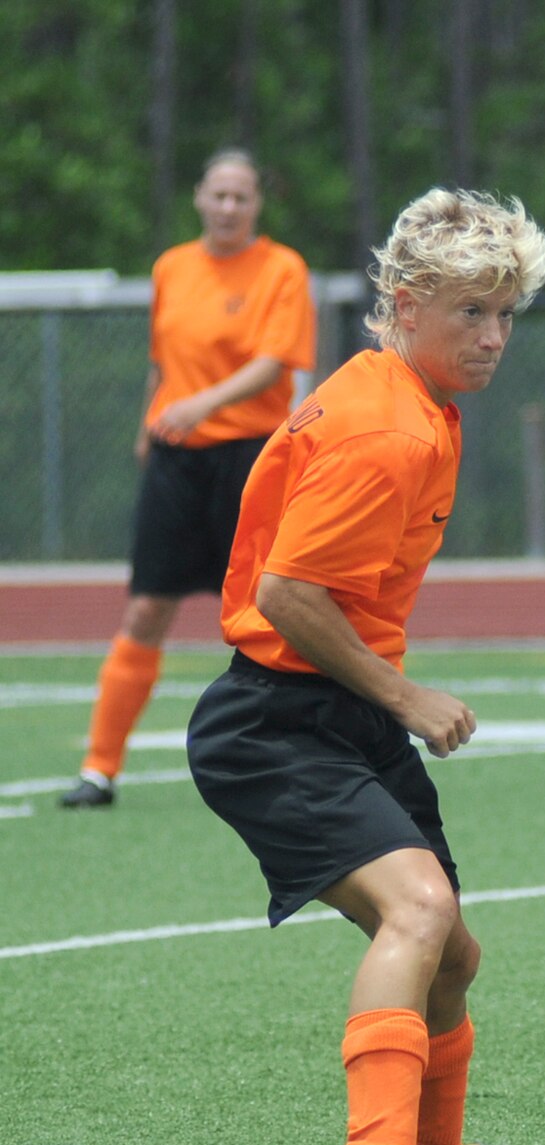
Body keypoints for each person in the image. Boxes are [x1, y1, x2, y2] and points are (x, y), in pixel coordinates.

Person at [185, 189, 545, 1145]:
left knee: (454, 956)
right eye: (469, 314)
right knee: (418, 913)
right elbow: (288, 595)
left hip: (333, 713)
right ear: (404, 304)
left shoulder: (409, 402)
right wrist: (405, 694)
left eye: (505, 315)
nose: (491, 338)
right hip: (276, 721)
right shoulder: (386, 427)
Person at [61, 148, 317, 810]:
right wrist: (147, 428)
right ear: (199, 197)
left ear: (257, 205)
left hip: (251, 456)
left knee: (271, 610)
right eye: (218, 195)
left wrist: (203, 404)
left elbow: (273, 363)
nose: (229, 207)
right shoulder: (172, 267)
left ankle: (298, 759)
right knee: (148, 606)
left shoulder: (281, 268)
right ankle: (99, 768)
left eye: (242, 197)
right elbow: (163, 360)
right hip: (178, 457)